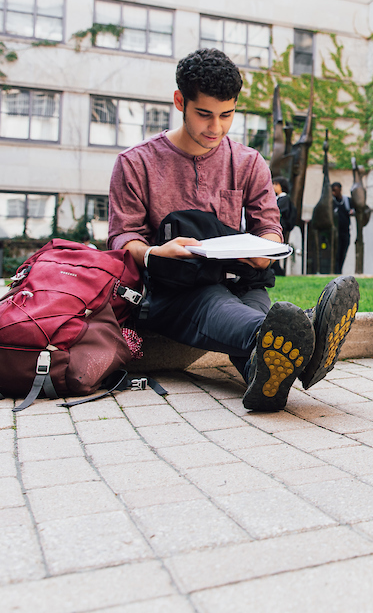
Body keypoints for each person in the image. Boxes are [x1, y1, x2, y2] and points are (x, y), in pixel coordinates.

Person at [108, 49, 359, 412]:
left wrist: (266, 249)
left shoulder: (248, 161)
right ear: (180, 101)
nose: (216, 128)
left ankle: (267, 383)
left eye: (227, 115)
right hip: (176, 291)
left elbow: (269, 226)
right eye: (204, 114)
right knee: (230, 310)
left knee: (265, 327)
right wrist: (153, 252)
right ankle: (310, 333)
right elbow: (122, 236)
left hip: (242, 279)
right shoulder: (136, 163)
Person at [272, 176, 297, 276]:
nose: (273, 186)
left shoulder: (284, 199)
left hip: (280, 228)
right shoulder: (279, 198)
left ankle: (279, 271)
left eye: (275, 184)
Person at [331, 182, 352, 274]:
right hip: (336, 232)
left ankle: (339, 270)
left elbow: (354, 209)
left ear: (340, 190)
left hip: (345, 230)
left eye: (335, 190)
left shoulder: (347, 201)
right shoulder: (331, 202)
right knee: (337, 252)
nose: (333, 193)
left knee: (343, 251)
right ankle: (336, 271)